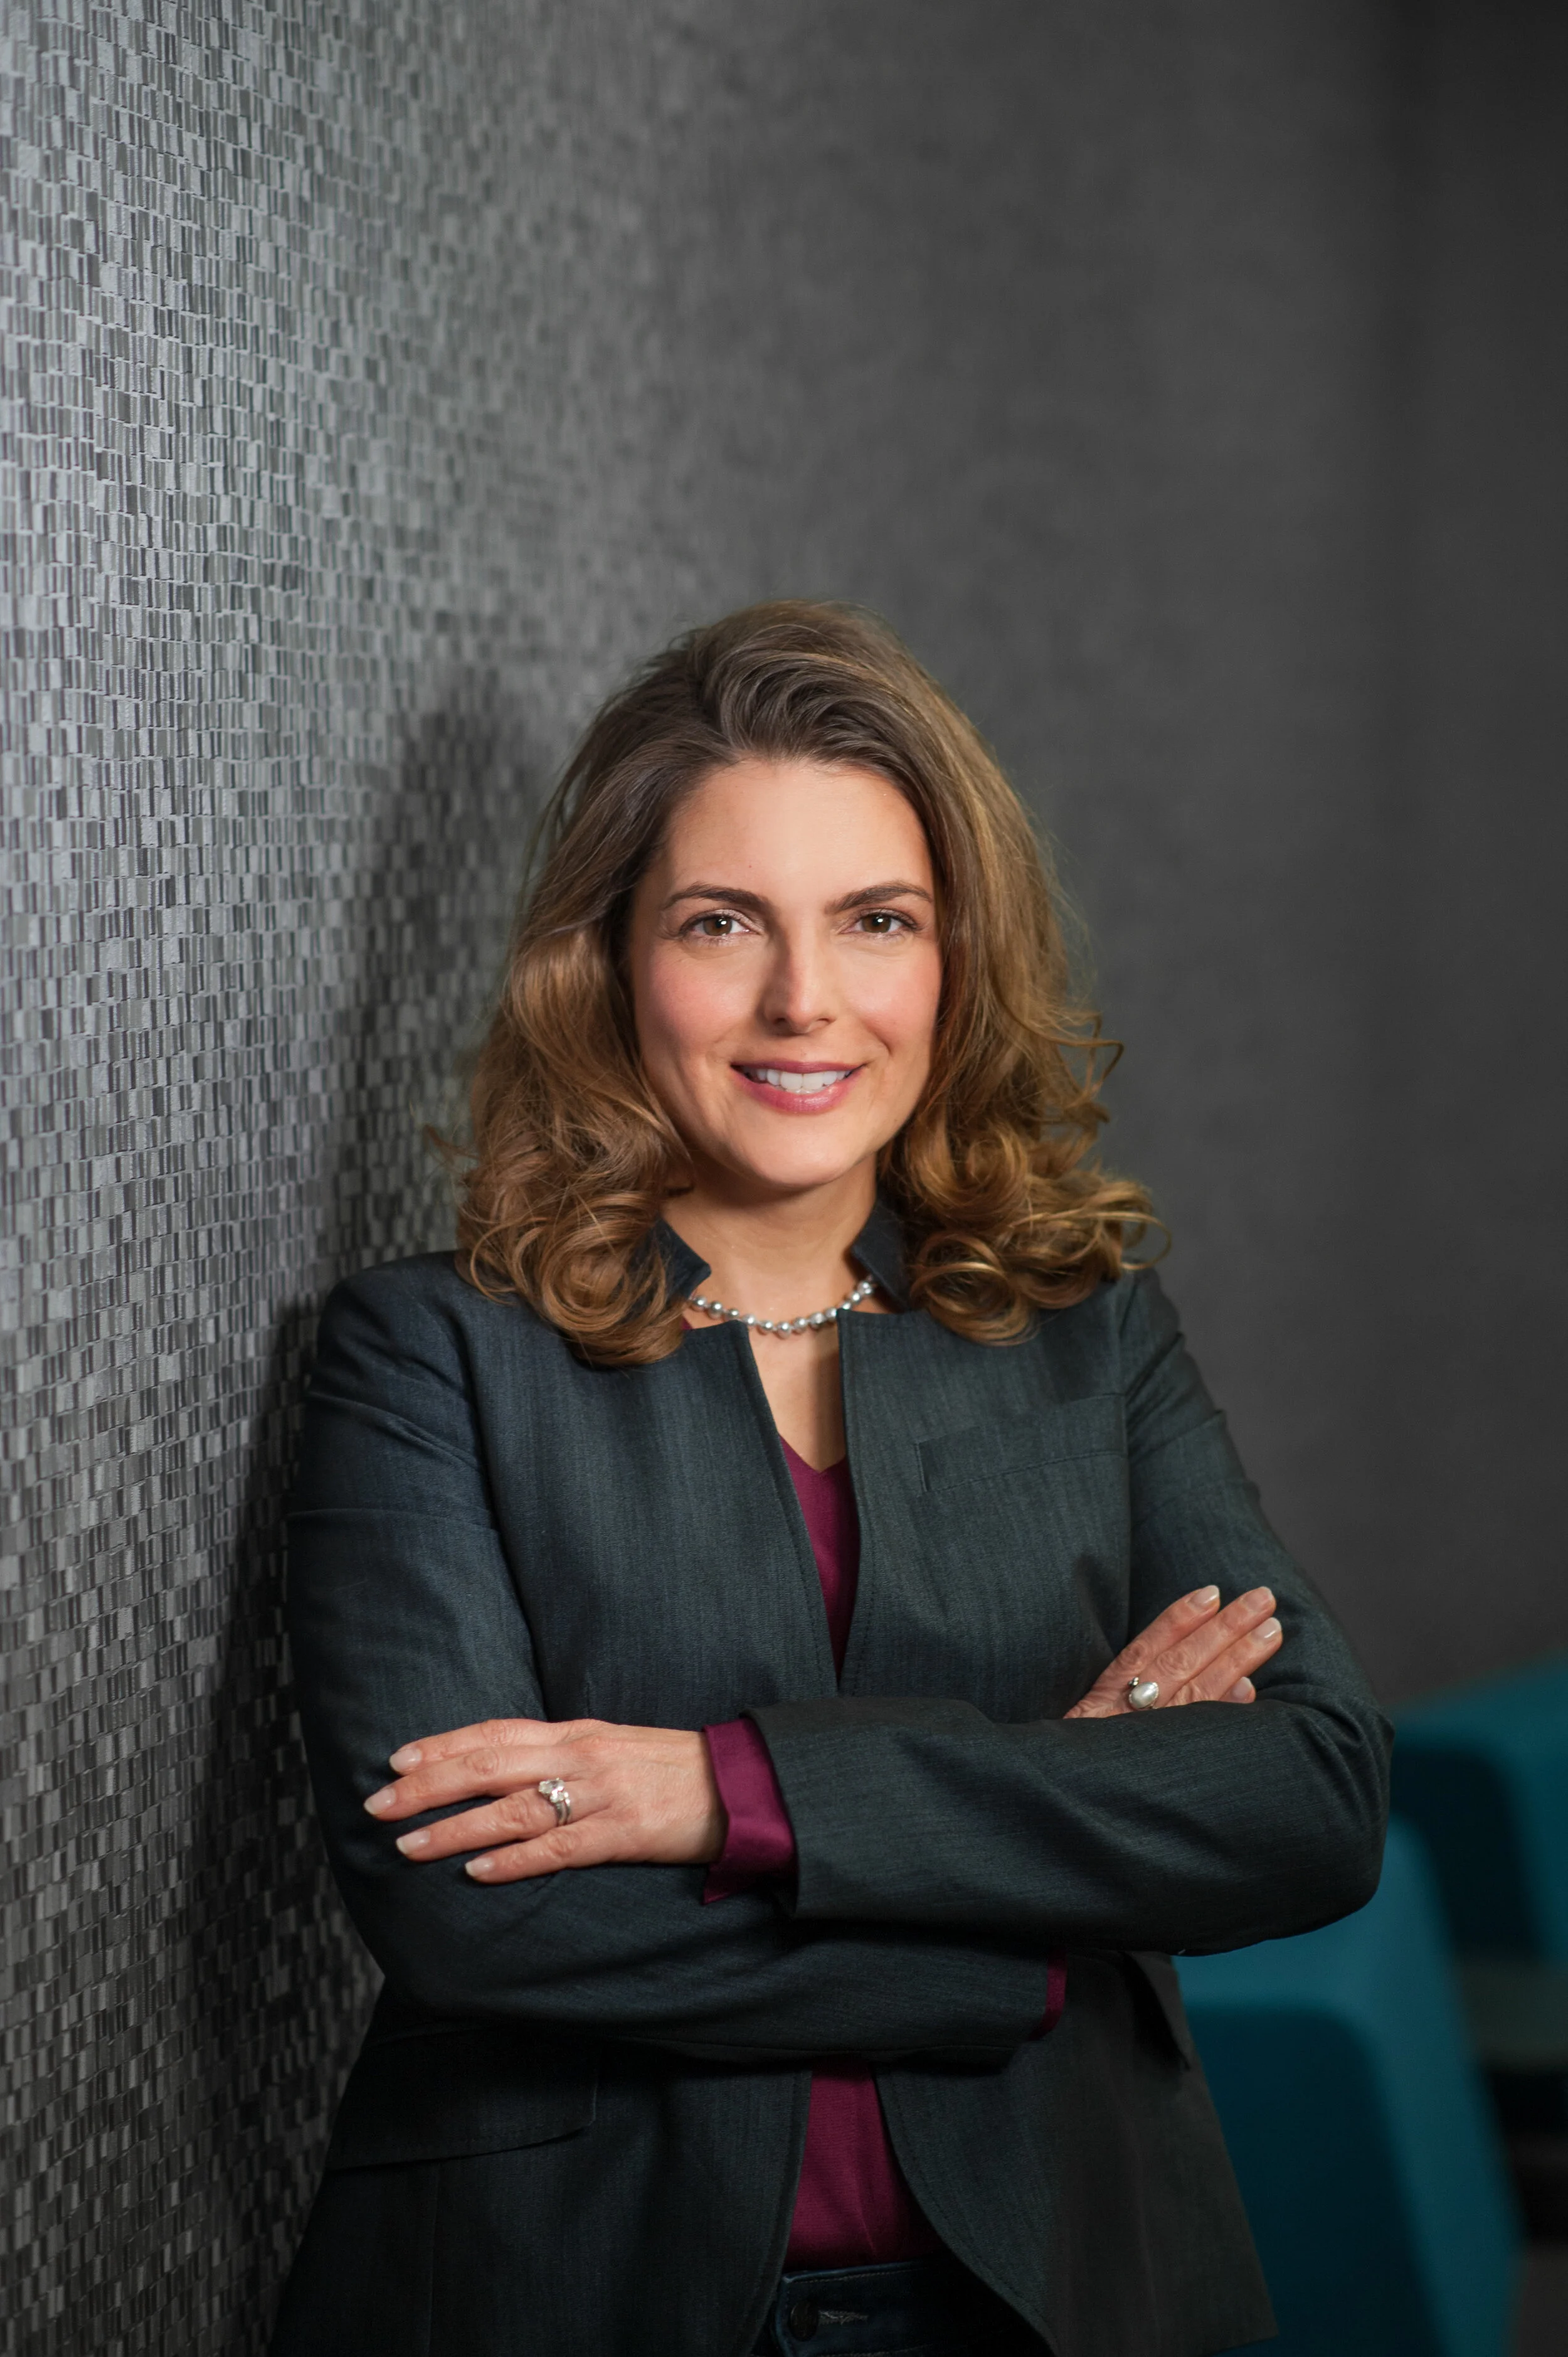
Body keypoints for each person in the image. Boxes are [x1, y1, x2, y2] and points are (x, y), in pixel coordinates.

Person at [269, 602, 1389, 2357]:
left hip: (1069, 2281)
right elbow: (462, 1910)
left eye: (876, 921)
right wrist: (1036, 1913)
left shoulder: (1083, 1332)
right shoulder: (430, 1355)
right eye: (722, 924)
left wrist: (722, 1793)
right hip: (570, 2287)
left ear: (951, 960)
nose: (806, 1000)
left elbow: (1311, 1791)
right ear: (612, 959)